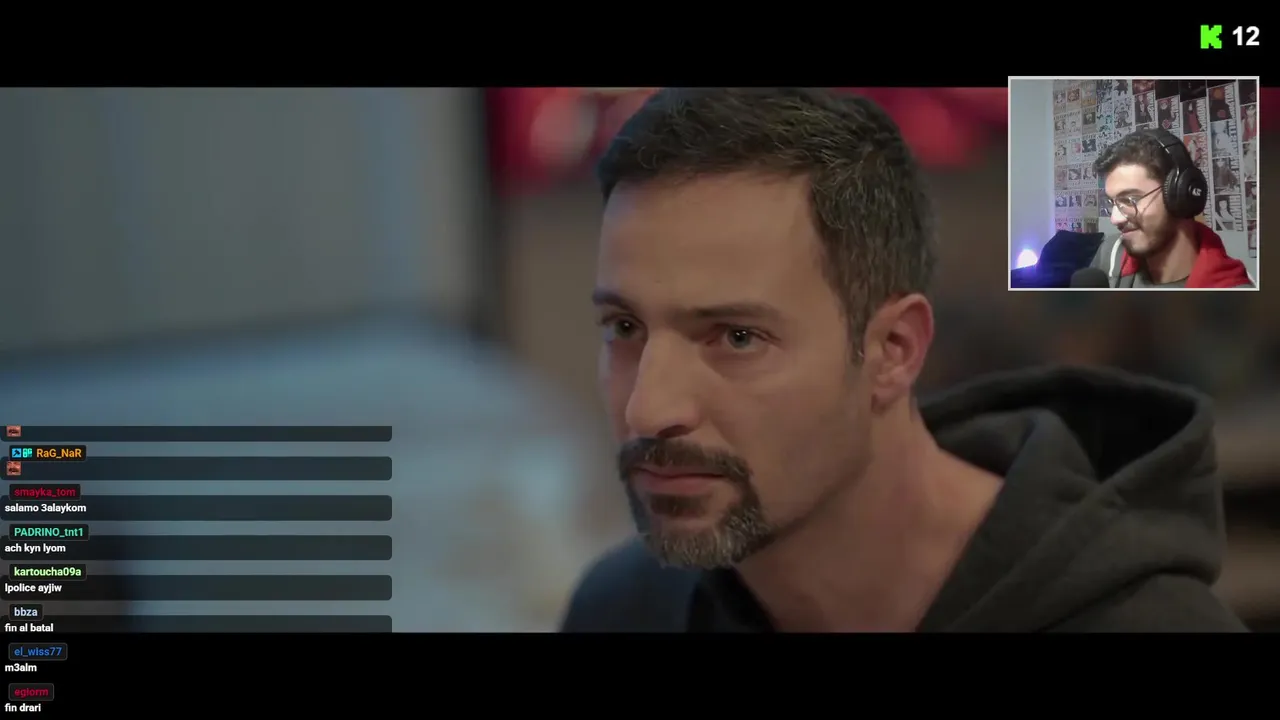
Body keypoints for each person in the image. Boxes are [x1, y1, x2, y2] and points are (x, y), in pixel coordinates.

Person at [559, 88, 1248, 632]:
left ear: (893, 350)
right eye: (624, 327)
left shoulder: (1150, 621)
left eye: (736, 337)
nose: (647, 408)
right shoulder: (623, 611)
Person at [1089, 129, 1253, 288]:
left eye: (1131, 200)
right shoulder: (1111, 253)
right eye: (1112, 202)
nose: (1115, 219)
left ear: (1180, 193)